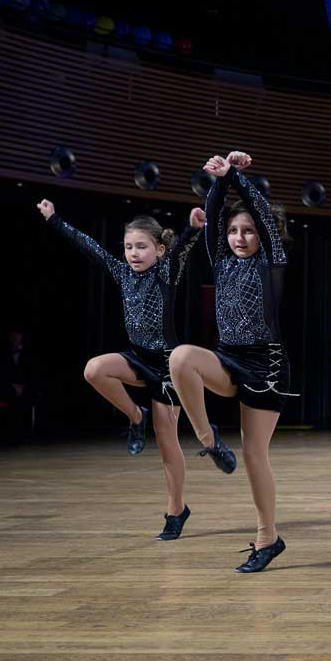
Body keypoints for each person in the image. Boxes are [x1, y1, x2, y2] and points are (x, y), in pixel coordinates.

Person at [40, 200, 204, 538]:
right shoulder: (122, 272)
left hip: (167, 366)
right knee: (94, 370)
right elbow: (90, 247)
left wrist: (192, 228)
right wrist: (54, 219)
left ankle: (176, 510)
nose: (133, 253)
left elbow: (183, 250)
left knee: (167, 441)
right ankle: (135, 416)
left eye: (141, 246)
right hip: (137, 357)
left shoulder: (165, 272)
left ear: (159, 250)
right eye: (129, 246)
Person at [167, 151, 293, 572]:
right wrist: (219, 182)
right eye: (234, 231)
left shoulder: (272, 261)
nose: (240, 238)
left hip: (266, 366)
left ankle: (268, 538)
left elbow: (261, 213)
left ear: (263, 235)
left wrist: (237, 176)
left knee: (255, 455)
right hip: (228, 357)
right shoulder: (220, 259)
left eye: (249, 231)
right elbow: (215, 213)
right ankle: (208, 441)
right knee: (181, 358)